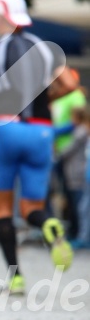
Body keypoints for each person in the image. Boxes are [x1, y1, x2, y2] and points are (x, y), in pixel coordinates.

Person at [0, 0, 76, 294]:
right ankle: (48, 225)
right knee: (31, 206)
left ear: (4, 17)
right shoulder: (43, 48)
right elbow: (69, 84)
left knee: (3, 208)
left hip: (7, 127)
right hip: (41, 131)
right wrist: (48, 98)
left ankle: (15, 277)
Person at [56, 106, 88, 240]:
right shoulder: (79, 130)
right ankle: (76, 234)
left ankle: (80, 236)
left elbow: (68, 150)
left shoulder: (81, 132)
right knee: (75, 205)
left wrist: (57, 153)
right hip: (75, 173)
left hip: (78, 173)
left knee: (79, 207)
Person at [71, 105, 90, 250]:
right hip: (86, 176)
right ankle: (83, 237)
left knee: (84, 208)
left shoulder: (82, 132)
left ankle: (83, 238)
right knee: (83, 207)